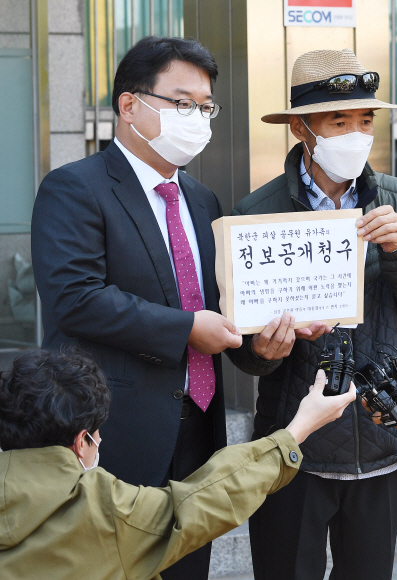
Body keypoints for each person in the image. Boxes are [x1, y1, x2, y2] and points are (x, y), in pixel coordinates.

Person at [31, 37, 325, 580]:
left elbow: (220, 310)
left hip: (199, 431)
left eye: (205, 106)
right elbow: (75, 298)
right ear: (129, 105)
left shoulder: (201, 199)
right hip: (111, 432)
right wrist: (188, 327)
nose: (197, 118)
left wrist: (265, 345)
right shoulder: (74, 188)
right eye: (181, 102)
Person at [232, 48, 397, 580]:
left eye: (365, 119)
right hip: (294, 444)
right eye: (339, 120)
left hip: (382, 433)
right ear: (302, 128)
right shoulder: (257, 214)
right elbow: (244, 346)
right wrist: (262, 351)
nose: (357, 133)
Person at [0, 349, 356, 580]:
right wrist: (295, 432)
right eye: (97, 434)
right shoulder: (102, 509)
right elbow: (200, 503)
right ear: (82, 441)